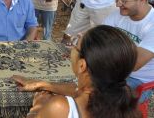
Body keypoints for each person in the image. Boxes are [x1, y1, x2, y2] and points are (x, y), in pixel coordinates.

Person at [12, 25, 141, 118]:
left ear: (81, 65)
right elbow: (78, 90)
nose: (71, 48)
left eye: (75, 44)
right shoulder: (127, 104)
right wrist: (43, 84)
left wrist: (38, 108)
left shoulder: (60, 108)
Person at [103, 0, 154, 101]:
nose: (118, 4)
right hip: (114, 71)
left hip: (137, 79)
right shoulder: (119, 14)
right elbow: (97, 37)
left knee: (104, 101)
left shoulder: (151, 24)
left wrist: (103, 51)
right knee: (79, 86)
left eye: (124, 0)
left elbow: (134, 63)